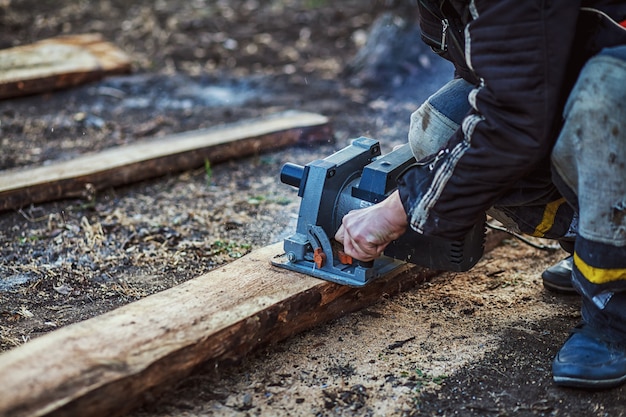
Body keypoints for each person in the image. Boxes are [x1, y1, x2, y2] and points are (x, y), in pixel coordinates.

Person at [335, 1, 626, 389]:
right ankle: (594, 248)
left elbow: (513, 120)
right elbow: (494, 83)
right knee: (438, 127)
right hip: (585, 60)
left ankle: (616, 313)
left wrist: (398, 209)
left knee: (605, 96)